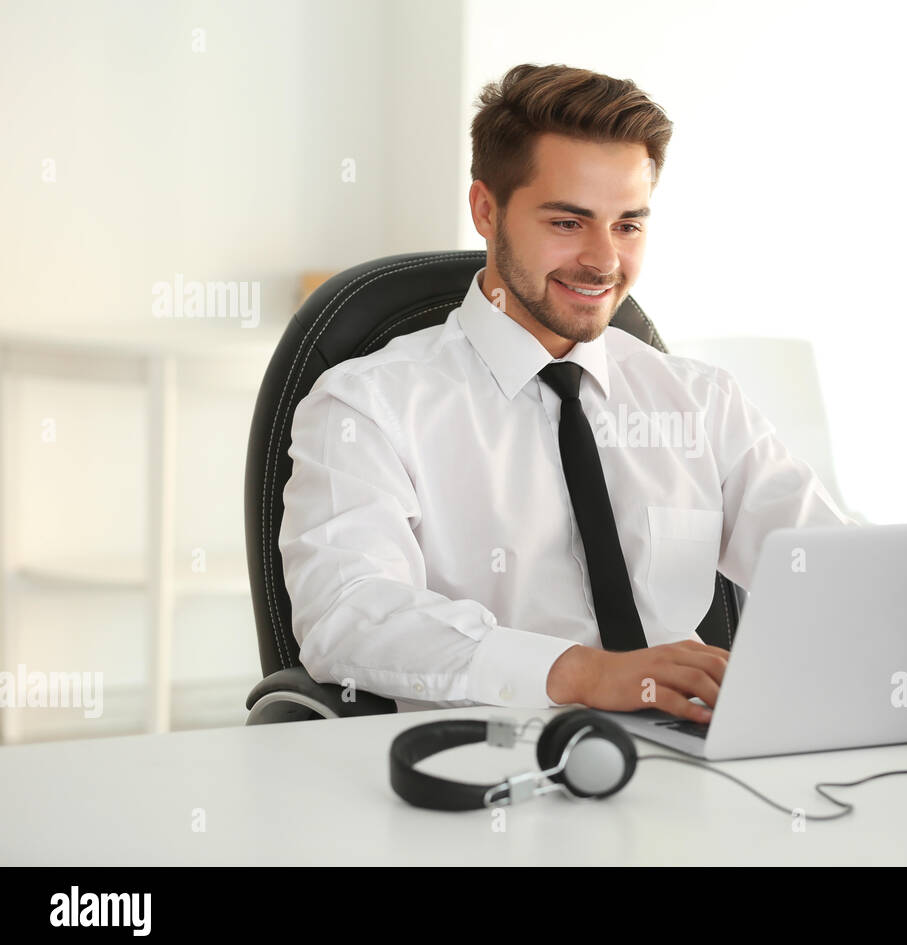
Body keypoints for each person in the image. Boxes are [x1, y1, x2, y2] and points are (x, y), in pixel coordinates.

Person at [280, 63, 855, 725]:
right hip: (486, 765)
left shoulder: (699, 401)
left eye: (628, 225)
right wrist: (582, 674)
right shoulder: (368, 405)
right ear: (486, 210)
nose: (604, 260)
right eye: (568, 222)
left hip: (691, 757)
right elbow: (347, 613)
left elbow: (831, 571)